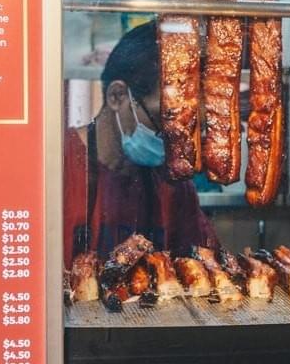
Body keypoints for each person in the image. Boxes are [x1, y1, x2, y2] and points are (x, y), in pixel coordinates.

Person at [69, 20, 219, 260]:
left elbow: (203, 267)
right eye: (166, 118)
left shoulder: (174, 184)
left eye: (189, 126)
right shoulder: (58, 168)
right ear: (117, 96)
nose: (178, 138)